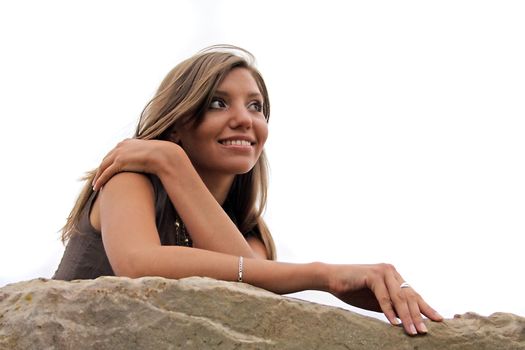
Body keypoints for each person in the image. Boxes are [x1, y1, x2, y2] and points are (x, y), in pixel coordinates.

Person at [53, 45, 443, 335]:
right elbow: (138, 264)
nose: (243, 119)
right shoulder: (128, 179)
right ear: (176, 123)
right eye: (219, 103)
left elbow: (250, 287)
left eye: (256, 107)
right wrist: (170, 163)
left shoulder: (251, 232)